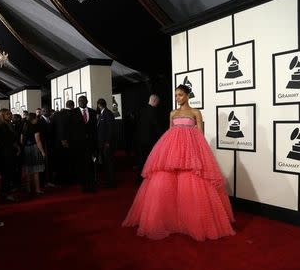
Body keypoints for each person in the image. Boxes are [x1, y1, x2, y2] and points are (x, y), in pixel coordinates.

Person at [122, 84, 235, 241]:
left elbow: (200, 135)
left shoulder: (195, 112)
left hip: (190, 153)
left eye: (180, 95)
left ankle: (192, 221)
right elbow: (170, 132)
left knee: (191, 183)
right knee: (167, 182)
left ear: (187, 95)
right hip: (173, 151)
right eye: (176, 95)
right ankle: (171, 219)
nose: (177, 98)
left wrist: (200, 155)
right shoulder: (173, 113)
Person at [134, 94, 163, 183]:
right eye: (157, 103)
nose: (157, 105)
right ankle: (147, 179)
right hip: (150, 141)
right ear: (154, 101)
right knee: (149, 160)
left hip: (139, 139)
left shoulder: (140, 110)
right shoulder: (154, 111)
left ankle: (139, 179)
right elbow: (156, 126)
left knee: (140, 160)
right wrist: (162, 137)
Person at [96, 98, 116, 188]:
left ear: (99, 105)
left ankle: (111, 182)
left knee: (109, 163)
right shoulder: (102, 114)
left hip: (107, 143)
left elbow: (111, 129)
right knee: (106, 163)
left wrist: (108, 142)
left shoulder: (107, 113)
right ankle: (108, 180)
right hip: (103, 143)